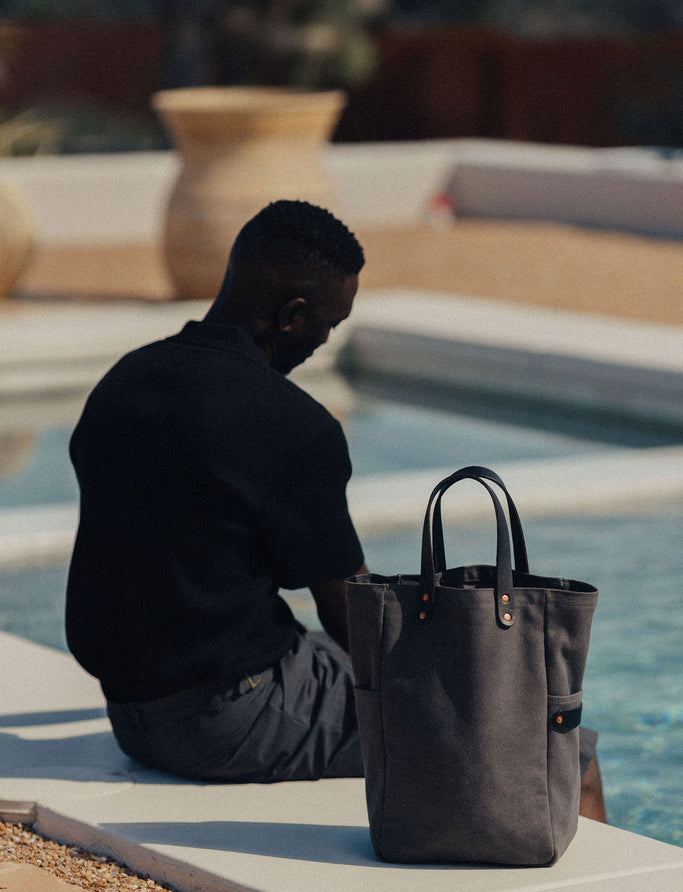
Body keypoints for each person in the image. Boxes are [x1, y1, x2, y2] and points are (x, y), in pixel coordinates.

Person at [66, 199, 607, 820]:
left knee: (323, 654)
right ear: (293, 315)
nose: (325, 341)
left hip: (131, 713)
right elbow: (352, 618)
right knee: (559, 747)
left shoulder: (125, 382)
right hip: (226, 722)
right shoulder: (291, 427)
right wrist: (468, 690)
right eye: (328, 324)